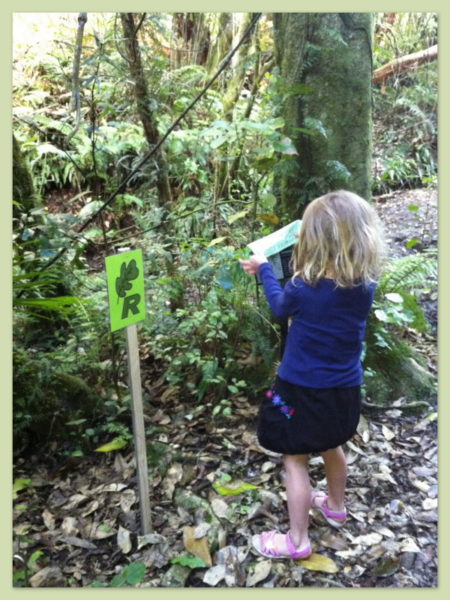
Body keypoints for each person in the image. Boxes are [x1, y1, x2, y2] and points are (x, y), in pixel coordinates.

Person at [239, 190, 384, 560]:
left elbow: (279, 306)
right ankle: (335, 506)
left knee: (294, 458)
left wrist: (265, 269)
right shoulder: (365, 286)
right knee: (331, 444)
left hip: (299, 391)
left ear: (315, 241)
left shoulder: (305, 287)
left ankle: (297, 541)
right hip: (344, 389)